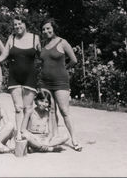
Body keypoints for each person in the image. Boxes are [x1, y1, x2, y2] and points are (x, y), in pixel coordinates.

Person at [40, 18, 82, 152]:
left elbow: (74, 60)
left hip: (61, 82)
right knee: (51, 111)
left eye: (48, 28)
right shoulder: (43, 44)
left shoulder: (62, 42)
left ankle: (74, 139)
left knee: (64, 111)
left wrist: (64, 68)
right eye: (44, 29)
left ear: (53, 28)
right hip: (45, 82)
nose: (46, 31)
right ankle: (54, 136)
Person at [0, 15, 41, 140]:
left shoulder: (35, 38)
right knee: (18, 108)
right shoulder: (11, 38)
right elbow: (3, 56)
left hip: (30, 77)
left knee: (28, 109)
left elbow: (42, 56)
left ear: (25, 24)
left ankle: (25, 133)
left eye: (20, 24)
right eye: (15, 24)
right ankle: (18, 134)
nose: (17, 26)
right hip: (14, 77)